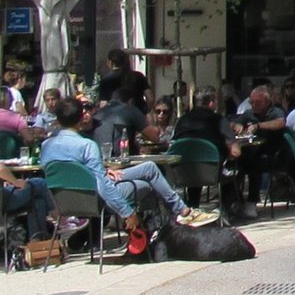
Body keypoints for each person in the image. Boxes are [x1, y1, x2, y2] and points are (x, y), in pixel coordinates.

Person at [38, 97, 215, 232]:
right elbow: (103, 186)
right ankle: (167, 223)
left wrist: (102, 171)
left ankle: (180, 213)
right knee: (146, 185)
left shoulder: (46, 146)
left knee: (149, 168)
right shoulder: (86, 145)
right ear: (81, 117)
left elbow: (66, 170)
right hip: (94, 198)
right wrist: (126, 212)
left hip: (64, 199)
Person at [229, 85, 288, 220]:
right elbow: (233, 123)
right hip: (251, 152)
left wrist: (259, 126)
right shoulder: (249, 113)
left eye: (258, 102)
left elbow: (280, 123)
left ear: (267, 102)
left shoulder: (275, 112)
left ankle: (251, 203)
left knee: (255, 165)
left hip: (273, 154)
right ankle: (234, 201)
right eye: (252, 102)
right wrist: (236, 125)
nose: (254, 105)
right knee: (235, 164)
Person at [1, 159, 54, 244]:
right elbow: (1, 169)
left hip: (4, 199)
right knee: (40, 183)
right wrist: (15, 182)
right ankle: (61, 221)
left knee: (38, 203)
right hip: (4, 201)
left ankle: (38, 243)